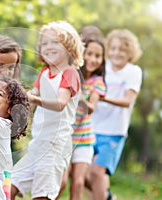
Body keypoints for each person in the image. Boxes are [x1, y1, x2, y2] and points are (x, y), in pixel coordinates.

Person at [10, 20, 84, 200]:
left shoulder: (69, 72)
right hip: (38, 142)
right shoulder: (44, 73)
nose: (48, 47)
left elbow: (60, 103)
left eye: (55, 42)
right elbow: (31, 100)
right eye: (44, 43)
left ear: (69, 47)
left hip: (55, 145)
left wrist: (34, 98)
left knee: (42, 194)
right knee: (10, 185)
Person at [88, 29, 143, 200]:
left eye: (122, 50)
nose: (116, 53)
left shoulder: (133, 71)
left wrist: (102, 98)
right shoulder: (102, 67)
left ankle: (104, 196)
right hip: (91, 127)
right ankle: (107, 196)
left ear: (130, 53)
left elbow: (127, 101)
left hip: (114, 132)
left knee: (97, 172)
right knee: (84, 174)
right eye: (113, 48)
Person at [56, 35, 107, 199]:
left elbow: (91, 108)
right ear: (81, 53)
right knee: (61, 181)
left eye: (97, 56)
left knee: (78, 183)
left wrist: (79, 95)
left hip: (84, 138)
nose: (93, 59)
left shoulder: (97, 82)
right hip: (65, 137)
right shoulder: (69, 74)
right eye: (89, 53)